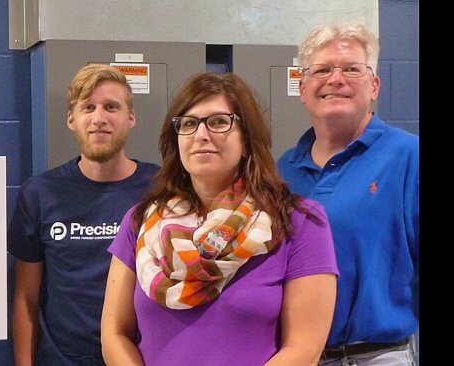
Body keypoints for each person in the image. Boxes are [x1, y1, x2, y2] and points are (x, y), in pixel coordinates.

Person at [101, 72, 338, 365]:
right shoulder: (140, 223)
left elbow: (304, 347)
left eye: (218, 122)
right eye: (188, 124)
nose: (202, 135)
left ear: (247, 139)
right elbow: (114, 333)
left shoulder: (299, 221)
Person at [278, 22, 419, 365]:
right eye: (322, 70)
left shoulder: (408, 157)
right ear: (302, 87)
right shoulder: (281, 171)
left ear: (374, 86)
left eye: (351, 69)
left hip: (378, 355)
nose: (335, 79)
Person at [8, 64, 159, 365]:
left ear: (130, 118)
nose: (99, 118)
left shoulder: (161, 190)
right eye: (88, 107)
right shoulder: (39, 193)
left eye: (111, 107)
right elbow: (27, 297)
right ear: (71, 119)